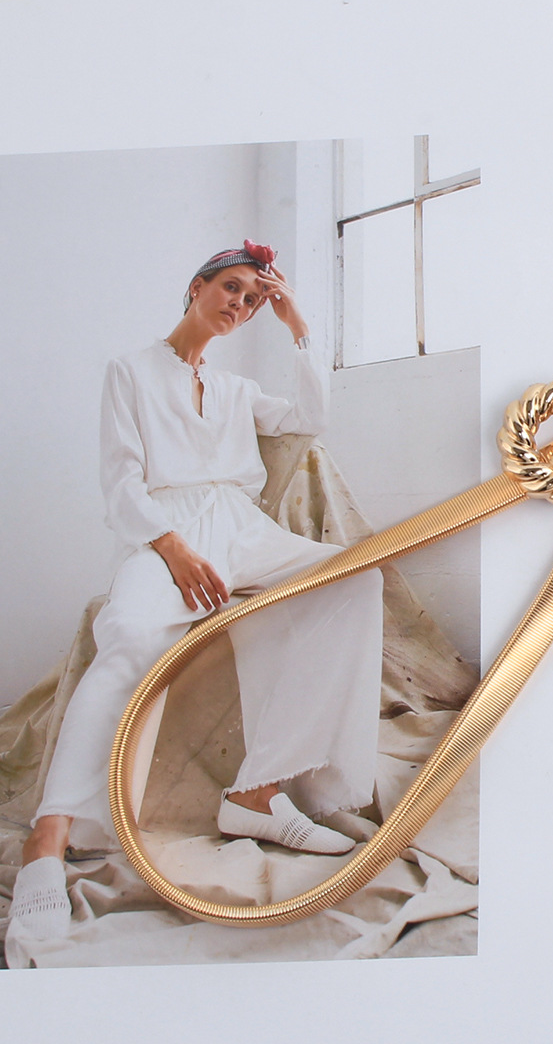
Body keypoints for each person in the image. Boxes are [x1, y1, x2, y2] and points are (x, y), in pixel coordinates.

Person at [8, 242, 384, 942]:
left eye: (253, 299)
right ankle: (47, 841)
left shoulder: (238, 390)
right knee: (128, 637)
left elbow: (311, 416)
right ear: (196, 286)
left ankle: (257, 794)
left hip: (243, 529)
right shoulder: (130, 371)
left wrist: (297, 323)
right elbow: (121, 480)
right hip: (166, 528)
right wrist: (172, 547)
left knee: (354, 579)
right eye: (231, 288)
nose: (240, 304)